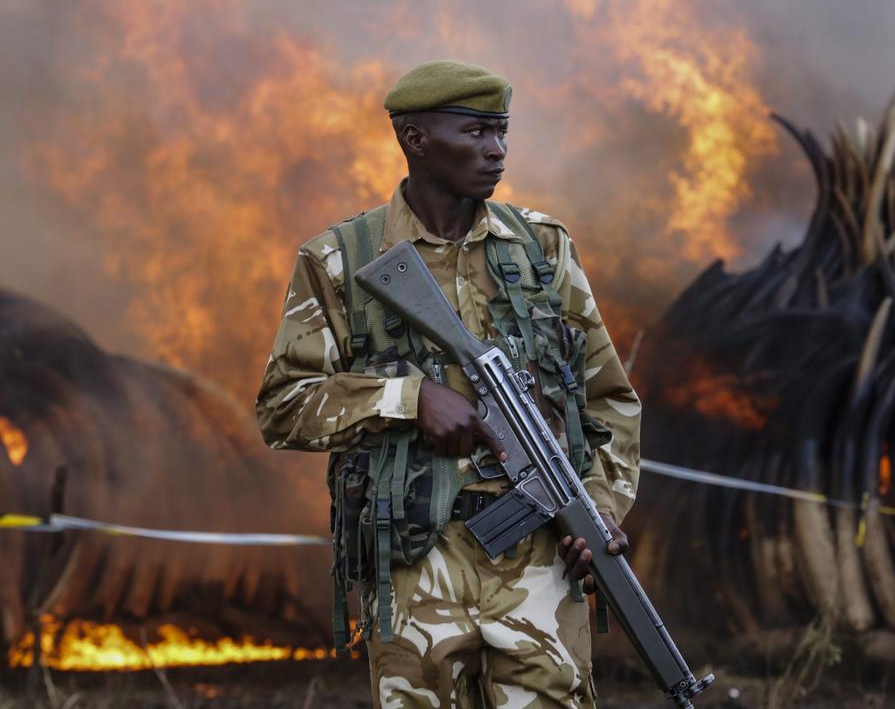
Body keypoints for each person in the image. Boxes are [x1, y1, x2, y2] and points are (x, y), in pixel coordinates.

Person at [256, 60, 641, 708]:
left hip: (541, 557)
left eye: (503, 133)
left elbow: (609, 400)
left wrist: (599, 507)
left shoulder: (542, 248)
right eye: (476, 132)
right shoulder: (341, 259)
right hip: (414, 561)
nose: (496, 151)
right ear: (416, 139)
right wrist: (406, 400)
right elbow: (284, 405)